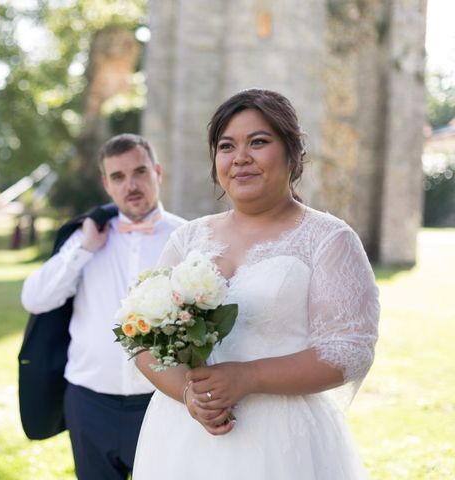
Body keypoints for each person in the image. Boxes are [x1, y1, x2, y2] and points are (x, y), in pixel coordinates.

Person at [132, 89, 380, 479]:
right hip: (183, 435)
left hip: (280, 440)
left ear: (293, 153)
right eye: (226, 146)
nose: (240, 158)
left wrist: (249, 377)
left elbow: (349, 351)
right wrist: (188, 395)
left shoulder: (328, 238)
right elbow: (142, 336)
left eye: (259, 142)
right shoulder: (188, 239)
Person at [21, 133, 186, 480]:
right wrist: (82, 249)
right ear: (106, 184)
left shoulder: (186, 238)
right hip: (89, 402)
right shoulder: (85, 238)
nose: (132, 185)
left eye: (140, 172)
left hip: (161, 403)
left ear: (157, 172)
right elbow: (35, 299)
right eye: (118, 177)